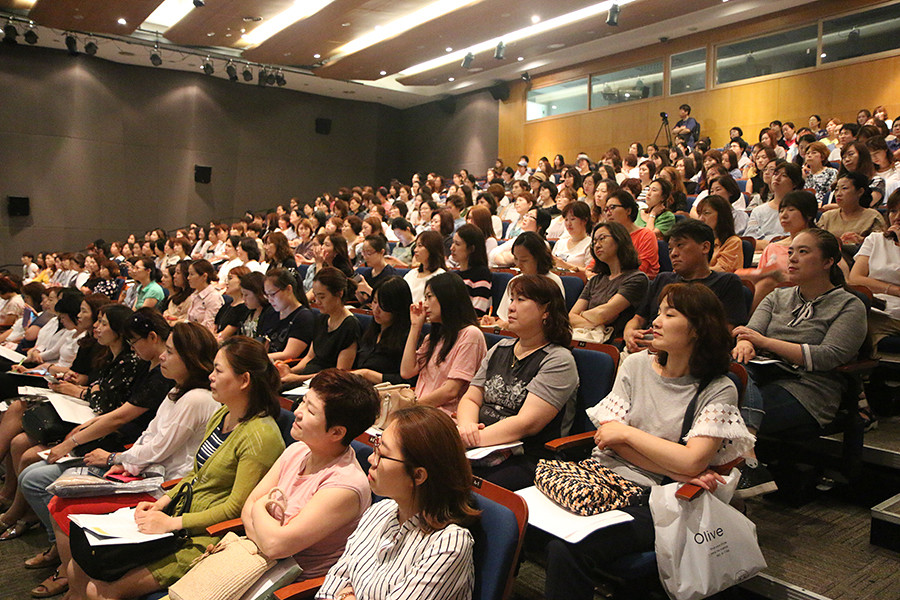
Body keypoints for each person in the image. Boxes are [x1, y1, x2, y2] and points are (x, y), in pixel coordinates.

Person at [544, 283, 754, 600]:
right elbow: (608, 438)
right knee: (521, 516)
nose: (655, 321)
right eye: (658, 312)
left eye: (669, 314)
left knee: (567, 548)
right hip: (599, 477)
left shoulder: (718, 388)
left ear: (698, 329)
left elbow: (692, 461)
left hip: (658, 499)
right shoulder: (636, 364)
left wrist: (628, 434)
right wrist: (676, 465)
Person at [70, 336, 284, 599]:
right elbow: (196, 473)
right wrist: (162, 504)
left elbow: (235, 509)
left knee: (99, 591)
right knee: (80, 563)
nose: (211, 377)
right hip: (181, 515)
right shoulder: (223, 413)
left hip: (206, 536)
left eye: (218, 371)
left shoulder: (260, 436)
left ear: (244, 380)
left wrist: (171, 523)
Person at [19, 321, 219, 598]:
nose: (163, 356)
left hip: (163, 487)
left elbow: (156, 449)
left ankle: (70, 580)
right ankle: (68, 574)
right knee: (59, 495)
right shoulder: (177, 391)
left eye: (171, 352)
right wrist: (123, 461)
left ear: (191, 358)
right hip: (144, 471)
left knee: (62, 503)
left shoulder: (197, 398)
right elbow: (149, 436)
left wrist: (117, 458)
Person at [732, 229, 867, 493]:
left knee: (724, 409)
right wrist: (745, 343)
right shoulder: (777, 296)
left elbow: (827, 356)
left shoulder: (849, 305)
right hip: (762, 375)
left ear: (828, 261)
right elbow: (750, 333)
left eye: (803, 252)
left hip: (808, 388)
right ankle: (745, 463)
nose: (792, 258)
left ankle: (735, 480)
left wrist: (765, 343)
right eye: (791, 251)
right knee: (724, 381)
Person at [316, 406, 479, 600]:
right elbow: (335, 581)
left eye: (382, 454)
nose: (371, 459)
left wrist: (346, 594)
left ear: (418, 475)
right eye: (376, 447)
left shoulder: (448, 544)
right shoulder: (380, 510)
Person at [239, 369, 379, 580]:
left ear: (337, 432)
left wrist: (260, 506)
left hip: (290, 585)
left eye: (310, 411)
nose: (298, 411)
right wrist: (266, 536)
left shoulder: (345, 485)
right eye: (303, 402)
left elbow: (275, 545)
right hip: (254, 563)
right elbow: (246, 511)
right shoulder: (298, 449)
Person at [457, 275, 579, 490]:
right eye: (511, 299)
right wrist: (467, 428)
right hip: (480, 443)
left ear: (546, 311)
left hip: (528, 456)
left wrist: (473, 439)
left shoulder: (558, 360)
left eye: (520, 300)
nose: (511, 307)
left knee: (459, 481)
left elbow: (527, 423)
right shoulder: (500, 348)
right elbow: (471, 398)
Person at [623, 220, 748, 354]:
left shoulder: (726, 282)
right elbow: (638, 318)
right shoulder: (663, 279)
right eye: (670, 249)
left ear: (705, 247)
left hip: (694, 355)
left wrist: (667, 346)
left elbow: (724, 333)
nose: (673, 253)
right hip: (645, 349)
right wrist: (629, 332)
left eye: (680, 245)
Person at [401, 272, 486, 418]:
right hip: (422, 411)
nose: (425, 304)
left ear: (447, 297)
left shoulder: (471, 335)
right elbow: (406, 371)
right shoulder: (433, 338)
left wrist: (412, 407)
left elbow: (451, 391)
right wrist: (415, 327)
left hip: (443, 416)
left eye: (429, 297)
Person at [279, 268, 360, 386]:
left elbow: (339, 373)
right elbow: (310, 357)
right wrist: (290, 371)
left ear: (339, 293)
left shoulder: (350, 325)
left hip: (326, 384)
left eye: (322, 297)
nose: (317, 301)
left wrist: (296, 378)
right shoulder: (322, 318)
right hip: (308, 378)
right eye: (315, 296)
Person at [570, 223, 649, 338]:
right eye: (594, 242)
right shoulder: (595, 280)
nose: (597, 245)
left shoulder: (636, 278)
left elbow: (602, 314)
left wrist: (582, 315)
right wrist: (598, 323)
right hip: (586, 337)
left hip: (614, 341)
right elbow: (571, 317)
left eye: (602, 239)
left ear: (619, 239)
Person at [849, 189, 900, 357]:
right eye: (893, 210)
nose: (897, 217)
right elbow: (855, 278)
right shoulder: (875, 239)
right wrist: (894, 290)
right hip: (873, 305)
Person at [485, 232, 567, 329]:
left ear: (539, 258)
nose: (519, 264)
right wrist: (494, 322)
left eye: (524, 260)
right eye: (516, 259)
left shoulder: (552, 282)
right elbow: (503, 318)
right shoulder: (515, 281)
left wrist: (510, 325)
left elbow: (554, 321)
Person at [259, 268, 316, 362]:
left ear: (289, 289)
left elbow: (290, 354)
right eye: (267, 295)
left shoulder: (303, 317)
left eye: (272, 294)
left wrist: (257, 357)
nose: (270, 300)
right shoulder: (271, 312)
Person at [818, 171, 886, 250]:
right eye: (836, 190)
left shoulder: (873, 216)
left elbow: (880, 244)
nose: (838, 194)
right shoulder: (827, 216)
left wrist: (861, 240)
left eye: (844, 188)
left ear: (860, 191)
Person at [745, 161, 803, 247]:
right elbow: (750, 241)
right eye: (775, 174)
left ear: (794, 183)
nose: (777, 178)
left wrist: (771, 245)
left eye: (784, 175)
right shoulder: (758, 211)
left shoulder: (801, 210)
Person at [603, 190, 659, 278]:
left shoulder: (646, 235)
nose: (608, 213)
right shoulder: (608, 237)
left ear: (628, 210)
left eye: (612, 207)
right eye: (606, 209)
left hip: (638, 281)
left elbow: (641, 269)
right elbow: (593, 267)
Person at [451, 224, 492, 317]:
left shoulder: (481, 274)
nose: (452, 248)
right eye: (453, 243)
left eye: (457, 244)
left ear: (471, 249)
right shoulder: (454, 275)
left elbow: (478, 311)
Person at [695, 194, 742, 273]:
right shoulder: (697, 241)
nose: (701, 219)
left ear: (721, 216)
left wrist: (691, 271)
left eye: (706, 213)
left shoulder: (733, 242)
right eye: (699, 214)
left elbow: (722, 270)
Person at [403, 230, 446, 303]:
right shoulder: (412, 274)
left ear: (431, 248)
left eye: (420, 246)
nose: (415, 250)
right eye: (416, 246)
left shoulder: (441, 275)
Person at [354, 235, 397, 306]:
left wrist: (367, 289)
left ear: (382, 252)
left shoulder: (390, 275)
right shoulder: (367, 273)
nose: (365, 257)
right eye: (363, 252)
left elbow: (387, 303)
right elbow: (365, 303)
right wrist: (357, 292)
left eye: (369, 253)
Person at [186, 259, 225, 333]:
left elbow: (209, 326)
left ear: (204, 276)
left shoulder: (213, 298)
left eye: (192, 274)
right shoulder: (194, 294)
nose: (188, 278)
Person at [215, 265, 252, 341]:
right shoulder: (226, 305)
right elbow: (214, 328)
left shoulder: (243, 308)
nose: (226, 283)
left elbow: (223, 336)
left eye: (230, 278)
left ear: (241, 281)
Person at [552, 201, 593, 271]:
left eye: (572, 219)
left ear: (585, 220)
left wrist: (566, 266)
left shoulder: (590, 244)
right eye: (566, 220)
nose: (568, 224)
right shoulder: (560, 243)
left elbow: (590, 272)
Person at [803, 141, 839, 206]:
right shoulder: (803, 174)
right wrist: (803, 178)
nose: (809, 155)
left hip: (824, 205)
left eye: (814, 153)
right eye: (807, 153)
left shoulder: (831, 172)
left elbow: (829, 193)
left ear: (822, 157)